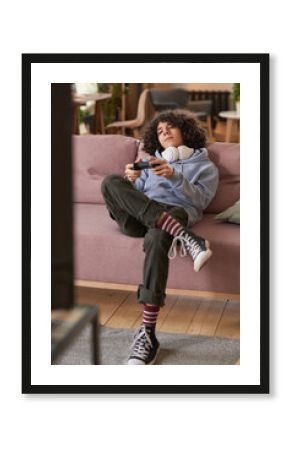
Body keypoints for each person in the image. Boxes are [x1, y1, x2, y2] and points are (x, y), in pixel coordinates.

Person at [101, 109, 219, 365]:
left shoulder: (205, 166)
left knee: (157, 236)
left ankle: (148, 334)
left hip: (174, 215)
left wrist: (175, 176)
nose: (163, 132)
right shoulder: (151, 162)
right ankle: (187, 238)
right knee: (110, 181)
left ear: (185, 131)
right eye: (159, 131)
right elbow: (135, 197)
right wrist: (131, 181)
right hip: (141, 217)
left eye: (170, 128)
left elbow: (201, 201)